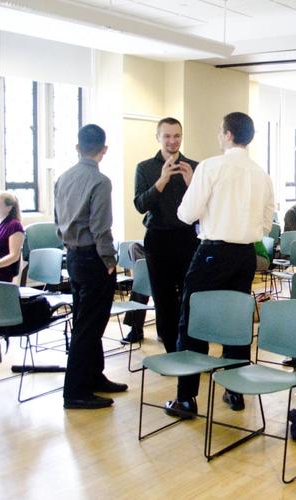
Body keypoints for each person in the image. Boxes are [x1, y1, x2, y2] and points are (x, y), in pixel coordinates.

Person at [165, 112, 275, 417]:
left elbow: (186, 215)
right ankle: (235, 391)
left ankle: (186, 398)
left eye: (219, 131)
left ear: (227, 134)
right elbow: (267, 223)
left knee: (192, 322)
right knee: (236, 321)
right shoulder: (261, 174)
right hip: (245, 256)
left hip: (213, 251)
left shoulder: (211, 166)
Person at [54, 124, 125, 410]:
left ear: (77, 147)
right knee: (89, 326)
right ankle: (74, 391)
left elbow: (59, 219)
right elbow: (100, 227)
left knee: (87, 322)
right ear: (103, 150)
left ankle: (94, 377)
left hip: (72, 256)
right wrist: (109, 260)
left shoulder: (62, 178)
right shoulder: (100, 181)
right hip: (94, 259)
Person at [131, 117, 199, 350]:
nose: (173, 141)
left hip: (187, 238)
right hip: (158, 239)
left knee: (189, 295)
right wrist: (161, 181)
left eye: (177, 136)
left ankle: (188, 347)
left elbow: (203, 207)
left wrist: (191, 183)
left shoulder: (194, 167)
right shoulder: (145, 167)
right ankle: (171, 348)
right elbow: (140, 204)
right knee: (163, 296)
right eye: (167, 136)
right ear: (158, 137)